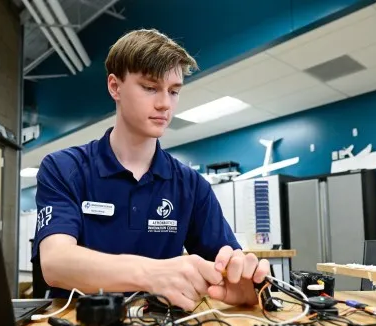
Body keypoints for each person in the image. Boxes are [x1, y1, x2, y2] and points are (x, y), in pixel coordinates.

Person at [32, 28, 270, 311]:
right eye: (150, 87)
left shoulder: (191, 186)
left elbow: (228, 267)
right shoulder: (64, 168)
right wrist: (153, 274)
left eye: (174, 91)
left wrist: (244, 284)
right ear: (114, 87)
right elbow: (55, 263)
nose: (165, 104)